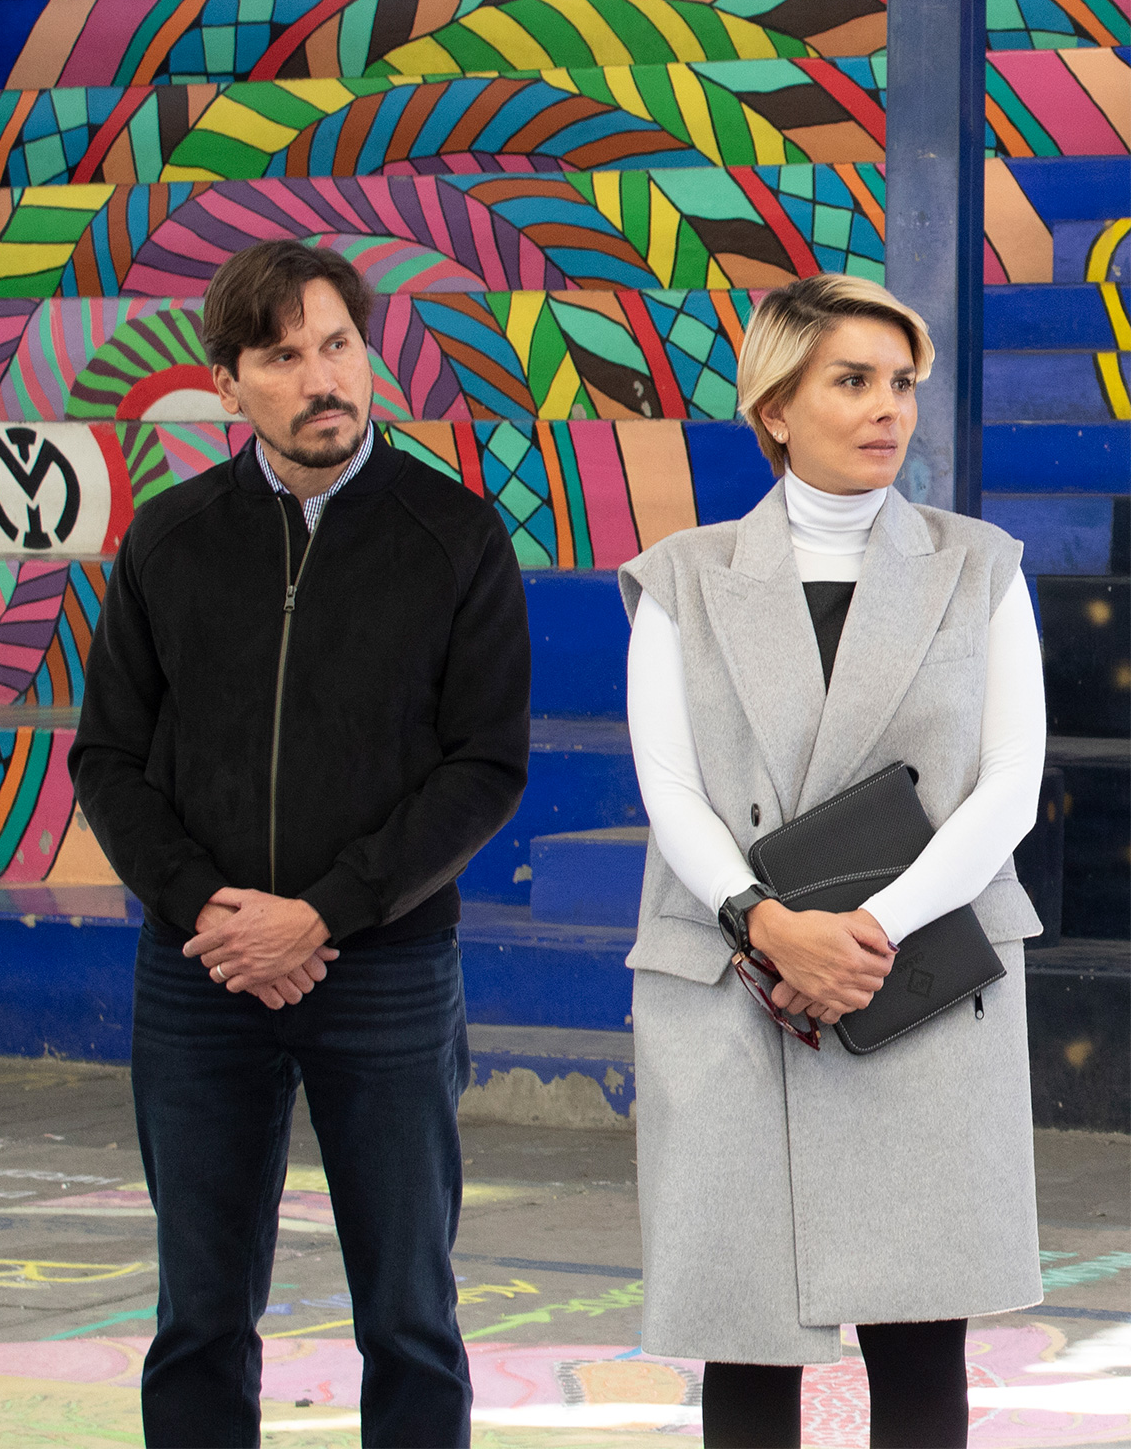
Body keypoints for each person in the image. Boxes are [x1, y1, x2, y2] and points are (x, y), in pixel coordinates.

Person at [70, 240, 531, 1449]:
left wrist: (324, 912)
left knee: (411, 1316)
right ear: (229, 385)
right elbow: (108, 758)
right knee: (199, 1316)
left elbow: (484, 767)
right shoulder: (170, 538)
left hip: (386, 970)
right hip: (201, 974)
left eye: (338, 345)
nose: (321, 379)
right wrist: (205, 910)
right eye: (282, 358)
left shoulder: (455, 536)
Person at [620, 274, 1045, 1449]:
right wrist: (769, 925)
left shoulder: (979, 565)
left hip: (921, 984)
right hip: (733, 987)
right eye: (852, 381)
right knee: (745, 1343)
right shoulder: (682, 577)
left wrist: (868, 935)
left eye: (901, 382)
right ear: (775, 406)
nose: (888, 407)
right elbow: (671, 789)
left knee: (922, 1345)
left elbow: (1009, 784)